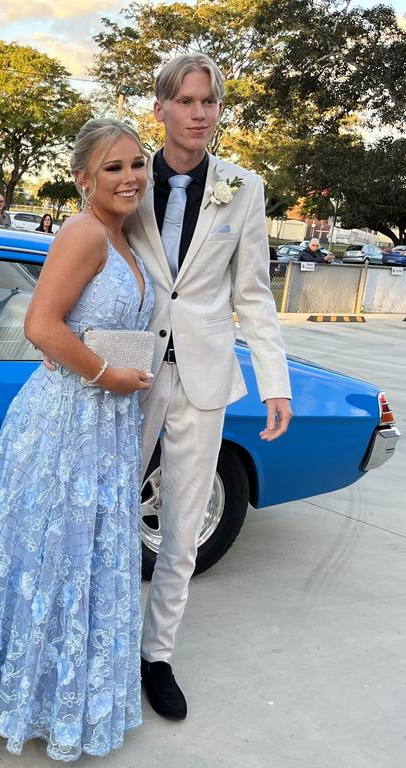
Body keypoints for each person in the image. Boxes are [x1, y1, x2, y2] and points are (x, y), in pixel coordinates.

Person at [0, 118, 155, 761]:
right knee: (49, 554)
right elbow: (40, 326)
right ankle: (24, 694)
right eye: (112, 168)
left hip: (104, 420)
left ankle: (59, 694)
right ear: (84, 179)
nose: (129, 177)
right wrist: (108, 375)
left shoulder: (128, 239)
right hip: (66, 420)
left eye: (136, 164)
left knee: (79, 557)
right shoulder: (85, 233)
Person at [123, 53, 292, 721]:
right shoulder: (127, 170)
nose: (199, 114)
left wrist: (273, 382)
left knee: (184, 524)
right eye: (185, 101)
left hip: (205, 374)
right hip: (128, 367)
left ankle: (156, 655)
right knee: (111, 506)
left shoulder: (243, 188)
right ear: (160, 108)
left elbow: (253, 293)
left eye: (209, 102)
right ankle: (105, 639)